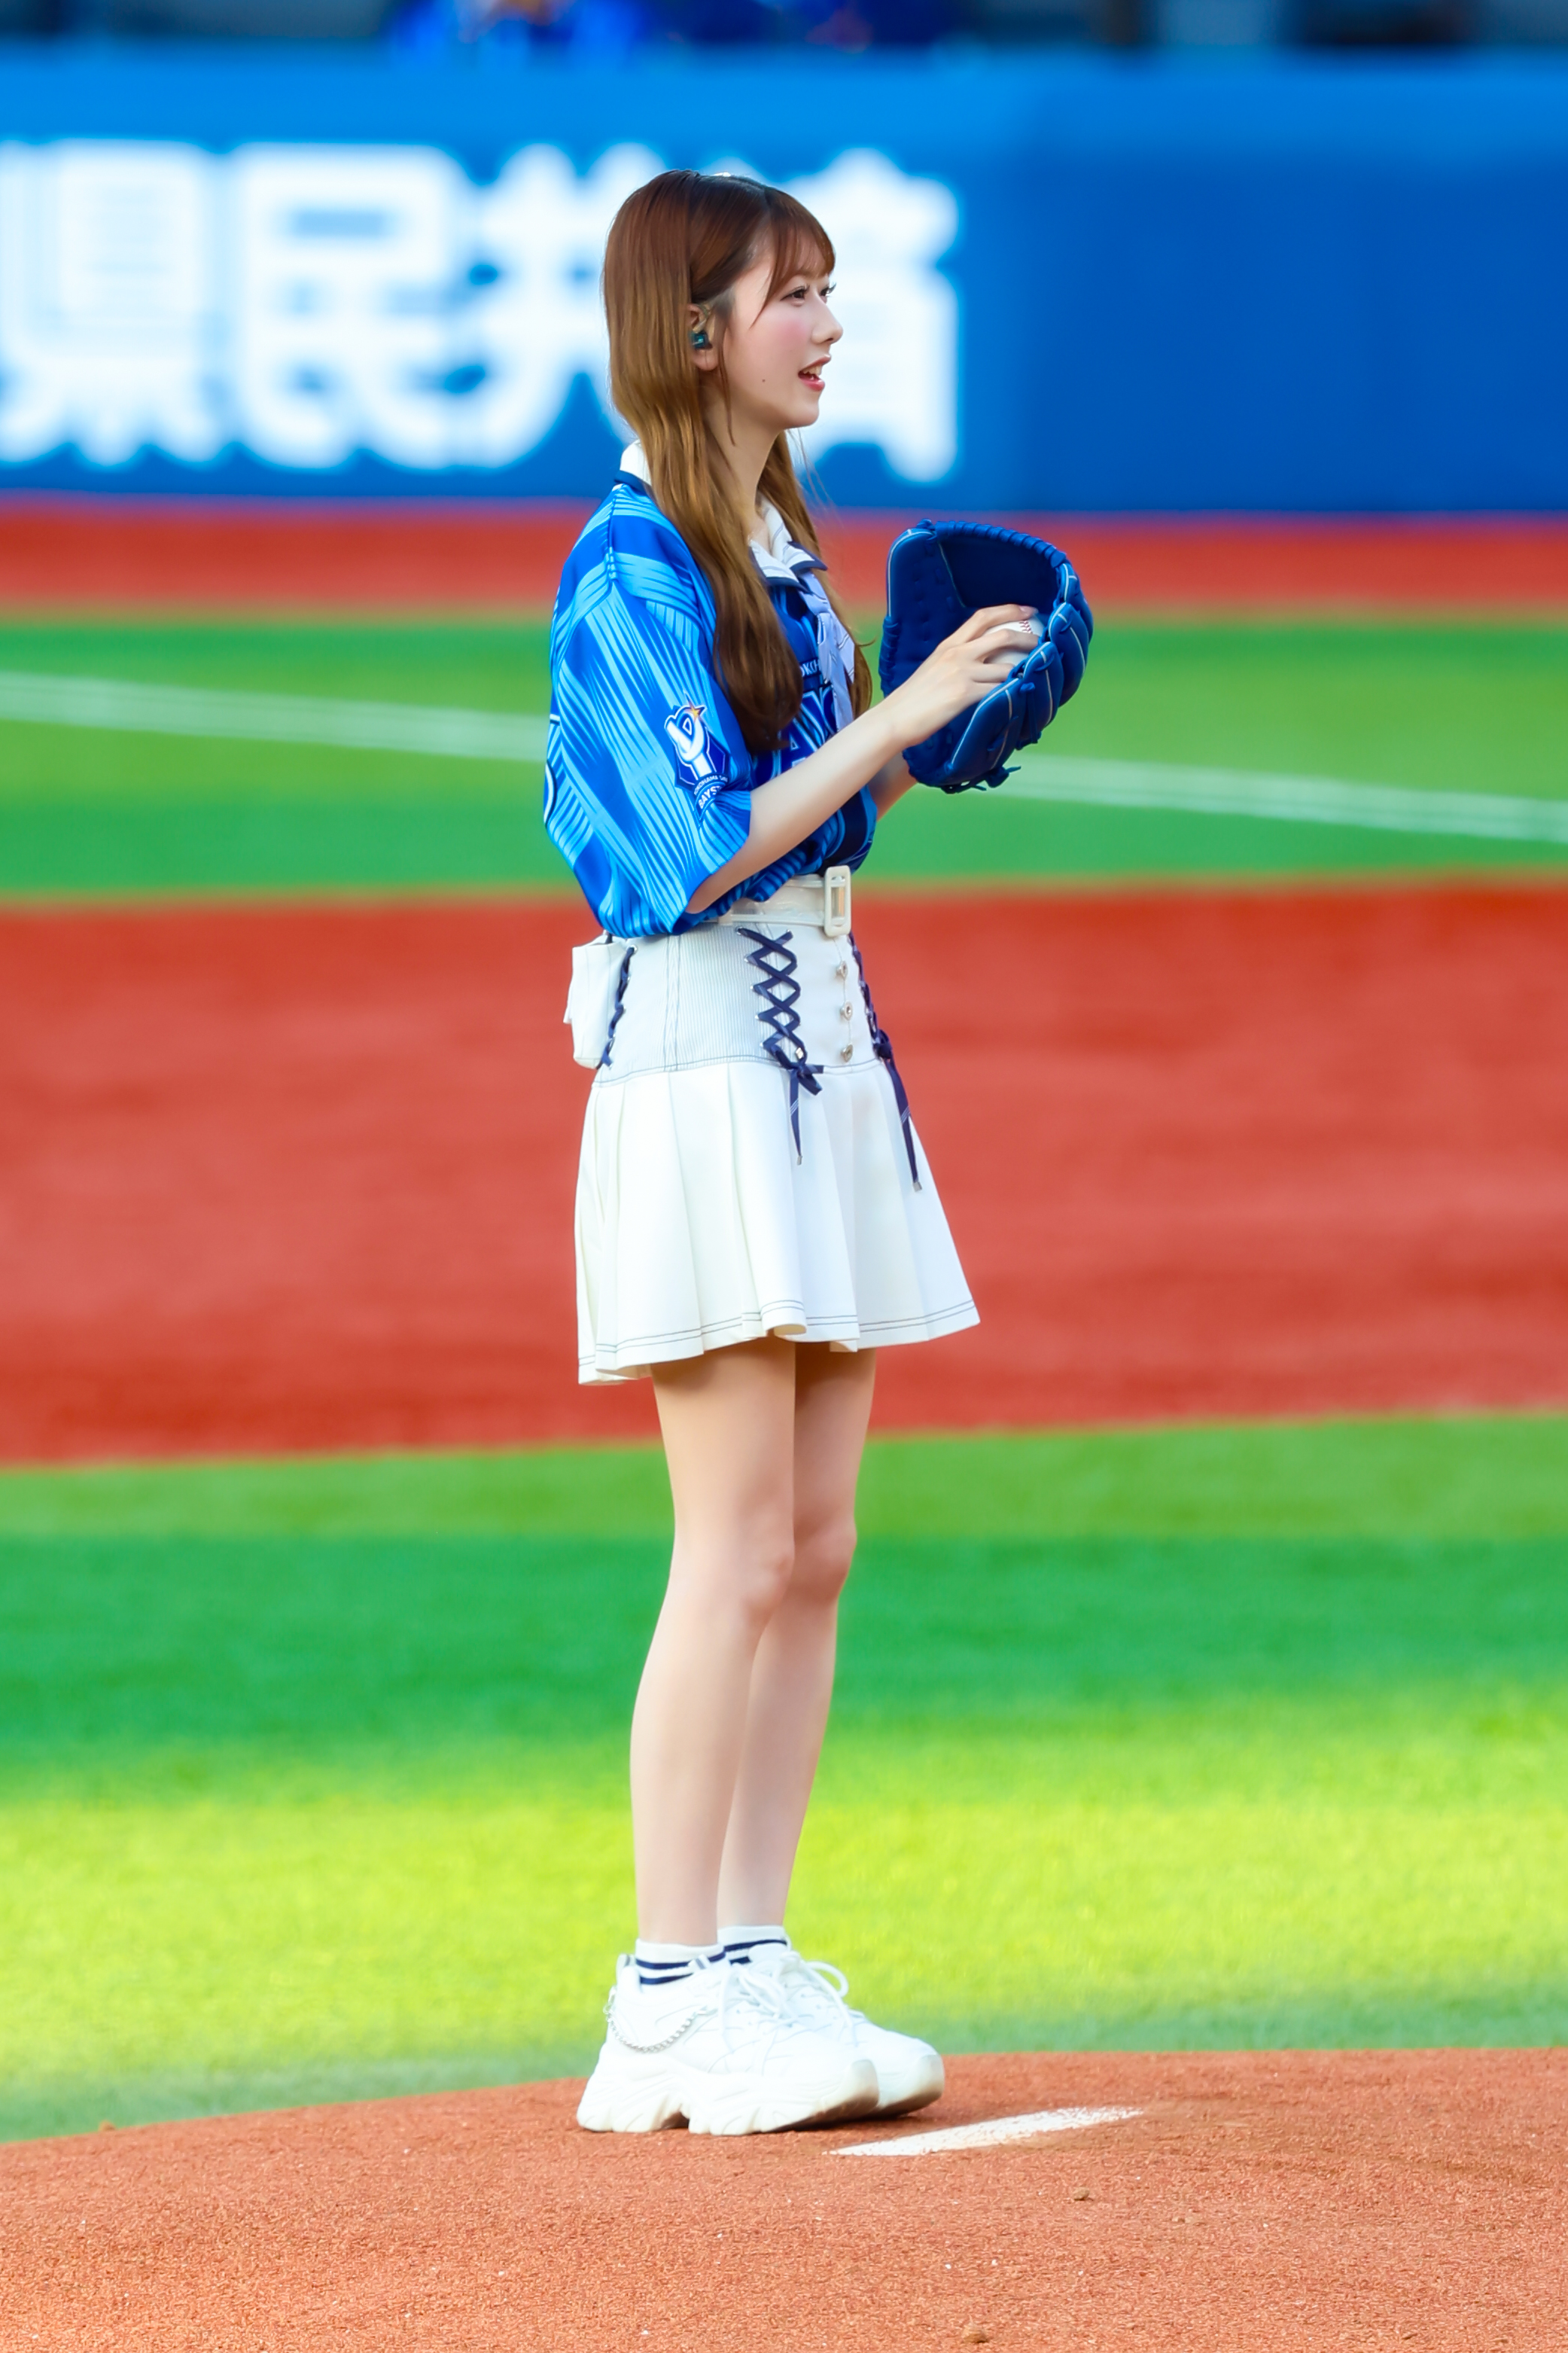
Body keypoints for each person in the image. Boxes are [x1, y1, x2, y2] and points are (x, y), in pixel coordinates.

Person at [544, 169, 1039, 2137]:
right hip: (698, 1059)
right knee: (733, 1541)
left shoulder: (777, 545)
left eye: (832, 293)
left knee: (816, 1546)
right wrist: (888, 721)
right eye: (793, 297)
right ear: (693, 331)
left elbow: (812, 830)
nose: (828, 327)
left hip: (822, 1043)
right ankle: (661, 1994)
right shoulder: (633, 563)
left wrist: (931, 737)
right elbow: (678, 853)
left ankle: (749, 1962)